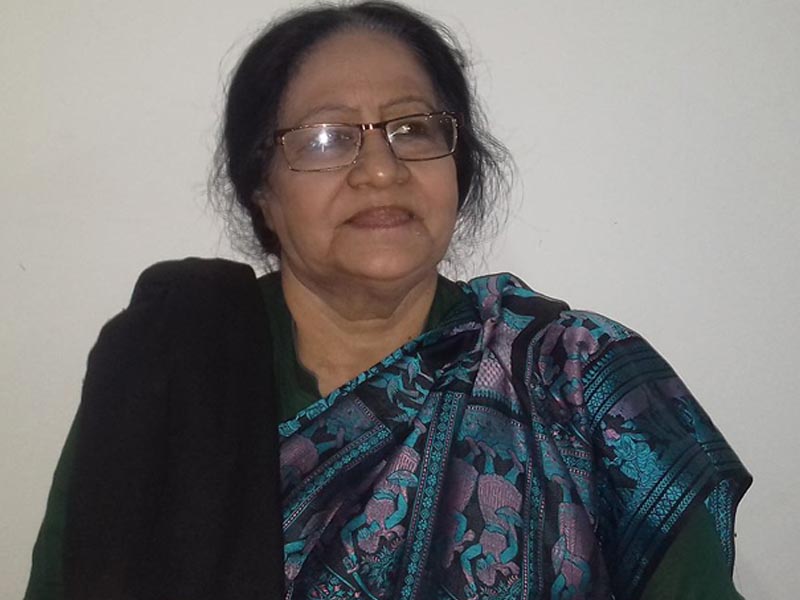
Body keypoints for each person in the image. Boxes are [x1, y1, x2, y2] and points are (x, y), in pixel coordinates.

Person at [25, 2, 751, 599]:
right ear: (262, 191)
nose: (380, 169)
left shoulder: (578, 378)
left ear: (458, 168)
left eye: (413, 128)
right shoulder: (166, 366)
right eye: (326, 137)